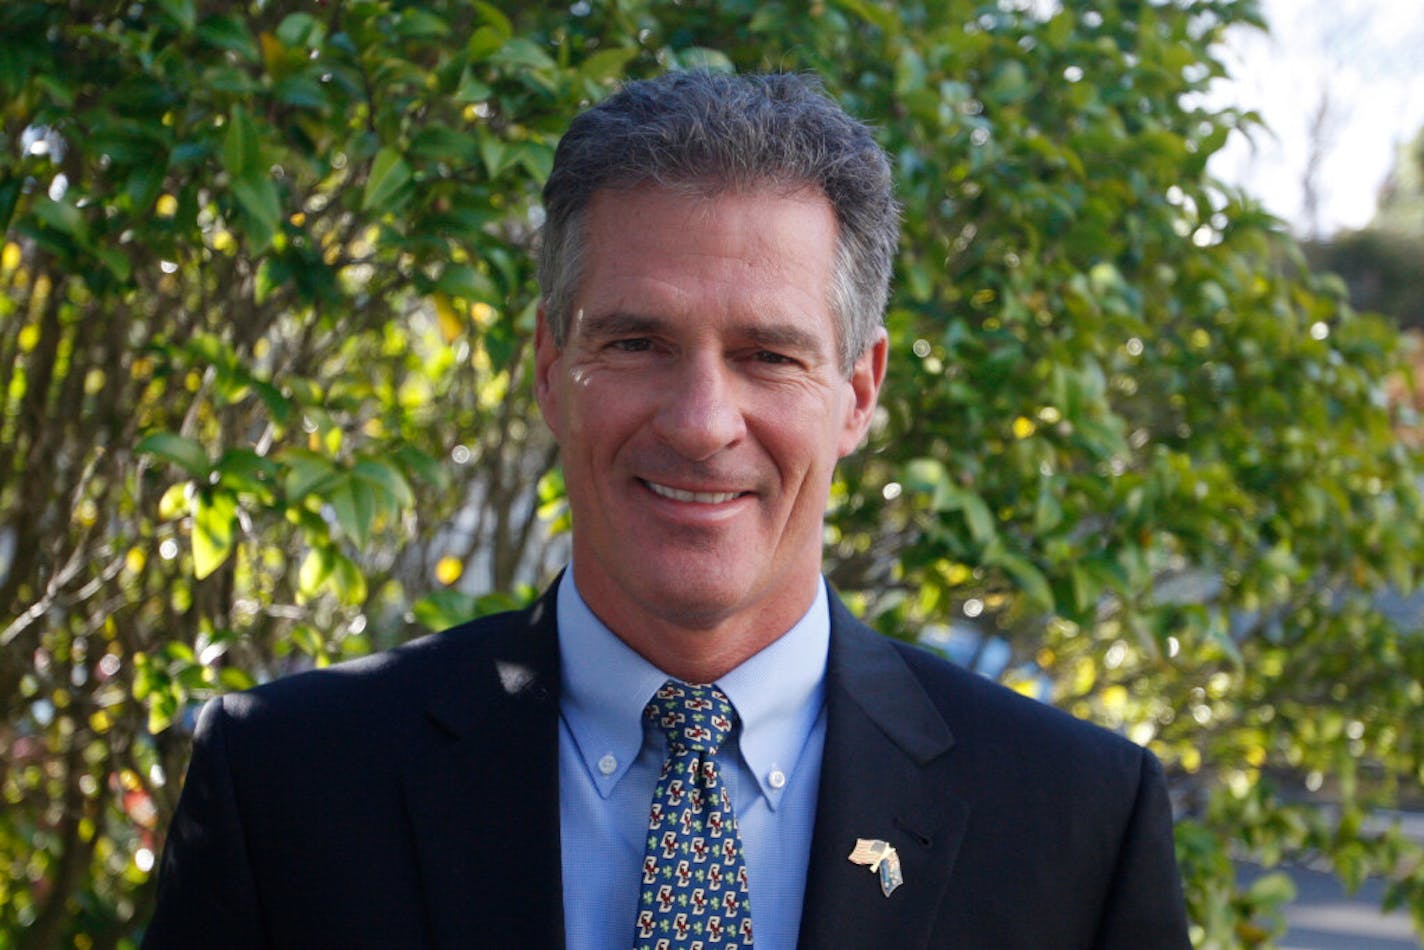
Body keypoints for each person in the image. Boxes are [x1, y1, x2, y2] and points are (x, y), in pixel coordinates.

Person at [144, 71, 1190, 949]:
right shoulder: (286, 784)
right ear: (551, 369)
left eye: (767, 355)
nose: (699, 423)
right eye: (635, 342)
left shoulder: (1073, 820)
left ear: (858, 393)